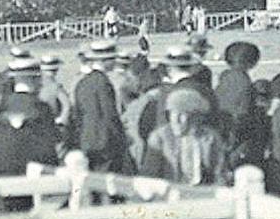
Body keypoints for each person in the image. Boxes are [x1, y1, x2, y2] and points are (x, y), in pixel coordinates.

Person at [140, 88, 229, 186]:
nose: (175, 119)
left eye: (182, 114)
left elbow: (220, 174)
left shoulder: (210, 138)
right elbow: (148, 177)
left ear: (196, 117)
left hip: (203, 195)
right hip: (170, 195)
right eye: (172, 113)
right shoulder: (160, 138)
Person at [69, 41, 132, 172]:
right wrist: (122, 139)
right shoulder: (104, 83)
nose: (115, 62)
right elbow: (110, 115)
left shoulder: (82, 82)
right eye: (112, 59)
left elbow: (78, 114)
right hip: (105, 144)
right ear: (105, 61)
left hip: (86, 140)